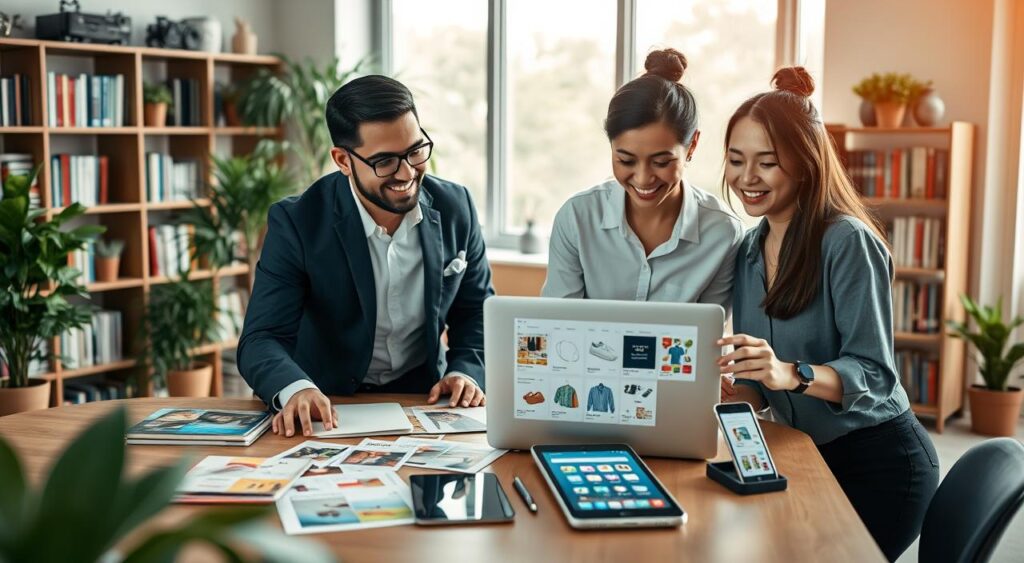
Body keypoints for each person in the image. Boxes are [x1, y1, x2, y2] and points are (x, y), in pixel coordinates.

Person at [717, 67, 939, 562]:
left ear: (806, 163)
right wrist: (733, 392)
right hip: (807, 454)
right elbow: (762, 382)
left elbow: (875, 374)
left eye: (767, 163)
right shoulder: (748, 251)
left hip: (881, 463)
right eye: (735, 160)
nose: (746, 179)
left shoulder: (846, 241)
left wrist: (786, 373)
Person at [238, 75, 494, 438]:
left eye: (415, 151)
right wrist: (298, 389)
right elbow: (261, 338)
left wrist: (465, 371)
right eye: (385, 161)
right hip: (326, 404)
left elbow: (476, 313)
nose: (407, 173)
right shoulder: (298, 222)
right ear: (343, 160)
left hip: (421, 400)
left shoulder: (457, 208)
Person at [542, 48, 743, 307]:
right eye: (626, 160)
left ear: (692, 145)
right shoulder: (577, 218)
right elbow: (557, 322)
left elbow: (708, 335)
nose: (643, 178)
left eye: (661, 162)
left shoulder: (722, 233)